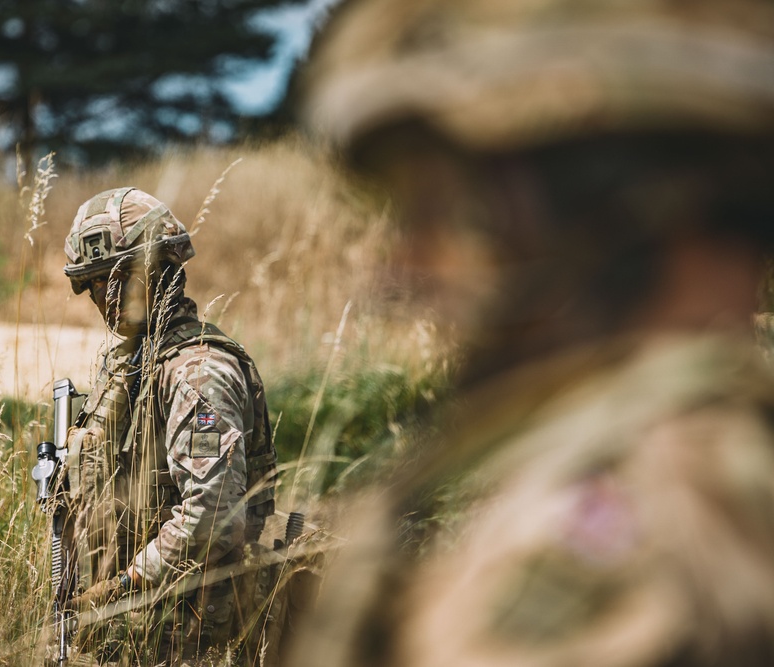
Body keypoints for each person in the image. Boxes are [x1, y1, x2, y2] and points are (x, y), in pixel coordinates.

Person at [293, 0, 774, 665]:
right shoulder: (644, 458)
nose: (397, 273)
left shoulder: (642, 519)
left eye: (448, 210)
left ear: (623, 207)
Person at [58, 187, 277, 664]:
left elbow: (212, 512)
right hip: (144, 625)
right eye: (90, 284)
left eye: (105, 280)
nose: (98, 298)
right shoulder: (137, 361)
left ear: (151, 271)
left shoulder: (197, 373)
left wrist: (123, 586)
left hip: (192, 632)